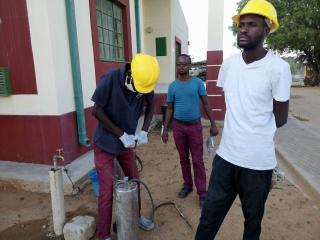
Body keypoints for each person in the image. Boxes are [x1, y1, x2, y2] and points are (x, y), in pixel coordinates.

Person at [195, 0, 292, 239]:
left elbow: (280, 119)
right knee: (209, 218)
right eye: (241, 24)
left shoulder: (278, 68)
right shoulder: (228, 65)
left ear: (267, 29)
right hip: (226, 158)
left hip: (258, 164)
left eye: (252, 25)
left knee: (252, 224)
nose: (243, 29)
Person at [91, 53, 160, 240]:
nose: (140, 92)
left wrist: (144, 130)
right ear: (130, 74)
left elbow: (152, 104)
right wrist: (120, 134)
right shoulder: (110, 79)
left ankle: (135, 217)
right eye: (139, 89)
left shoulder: (145, 78)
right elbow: (96, 110)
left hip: (126, 144)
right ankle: (103, 235)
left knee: (134, 181)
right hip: (105, 142)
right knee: (106, 191)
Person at [161, 54, 219, 208]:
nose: (181, 67)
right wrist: (165, 129)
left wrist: (213, 123)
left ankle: (202, 193)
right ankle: (187, 185)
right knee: (183, 158)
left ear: (190, 66)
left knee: (198, 160)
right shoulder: (172, 86)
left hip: (194, 127)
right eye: (179, 64)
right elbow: (170, 108)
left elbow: (206, 104)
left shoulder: (198, 83)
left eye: (184, 64)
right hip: (178, 127)